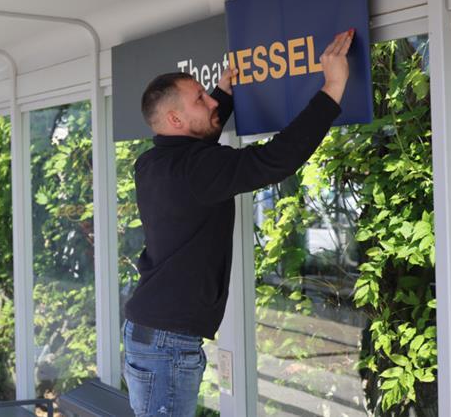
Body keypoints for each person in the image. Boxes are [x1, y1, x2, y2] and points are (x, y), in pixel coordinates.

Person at [123, 29, 355, 416]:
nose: (210, 100)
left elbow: (198, 148)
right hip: (164, 344)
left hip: (154, 335)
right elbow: (273, 161)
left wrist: (223, 97)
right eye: (201, 98)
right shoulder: (195, 169)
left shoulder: (152, 163)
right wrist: (333, 86)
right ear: (175, 117)